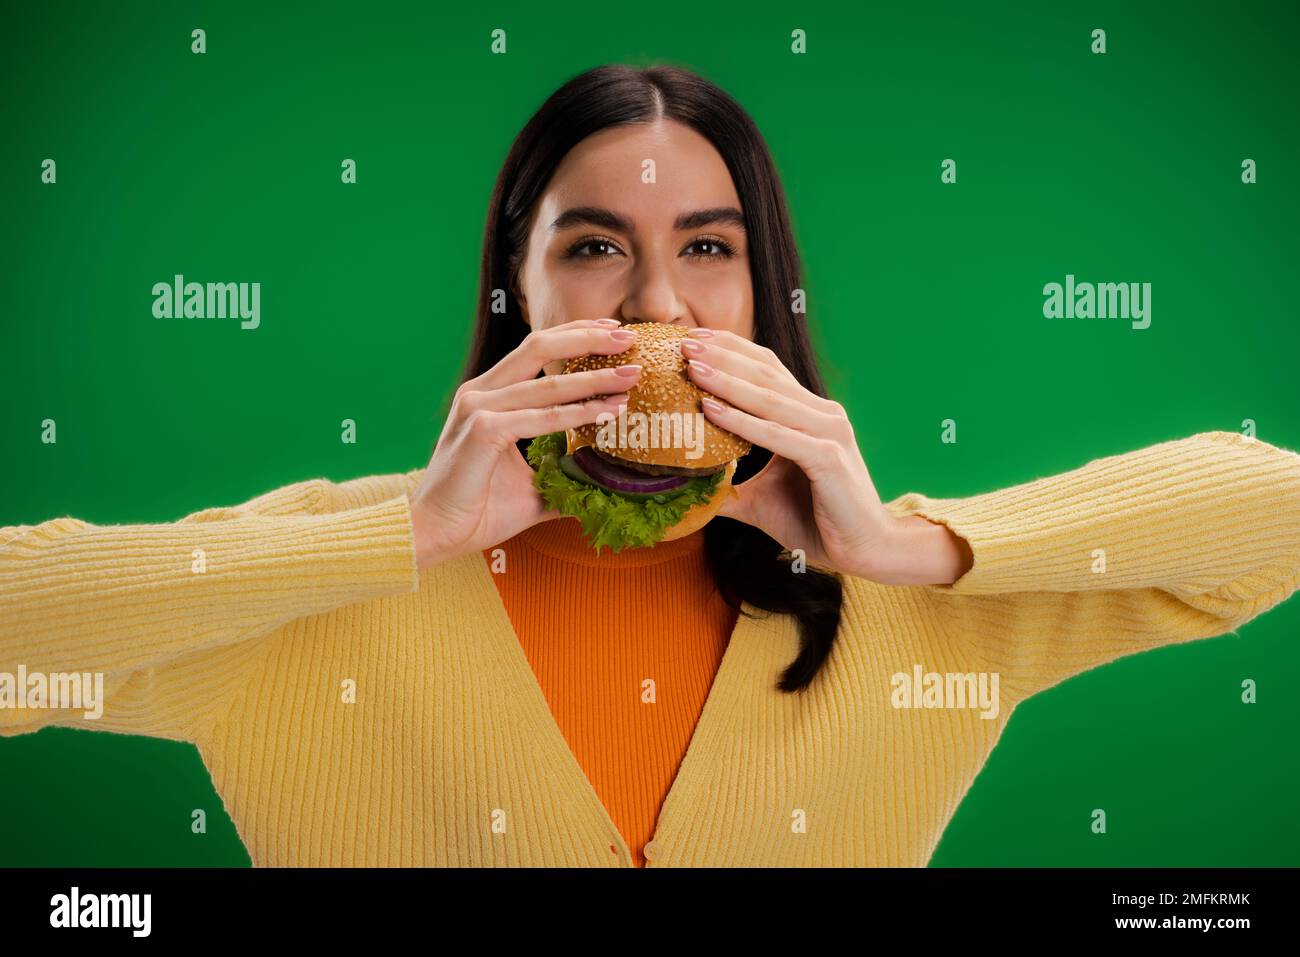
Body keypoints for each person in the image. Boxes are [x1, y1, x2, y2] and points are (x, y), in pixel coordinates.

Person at [3, 64, 1299, 868]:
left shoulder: (918, 607)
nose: (657, 311)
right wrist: (398, 534)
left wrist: (912, 545)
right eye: (594, 247)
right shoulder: (317, 577)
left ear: (761, 298)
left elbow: (1276, 515)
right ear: (514, 290)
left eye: (709, 248)